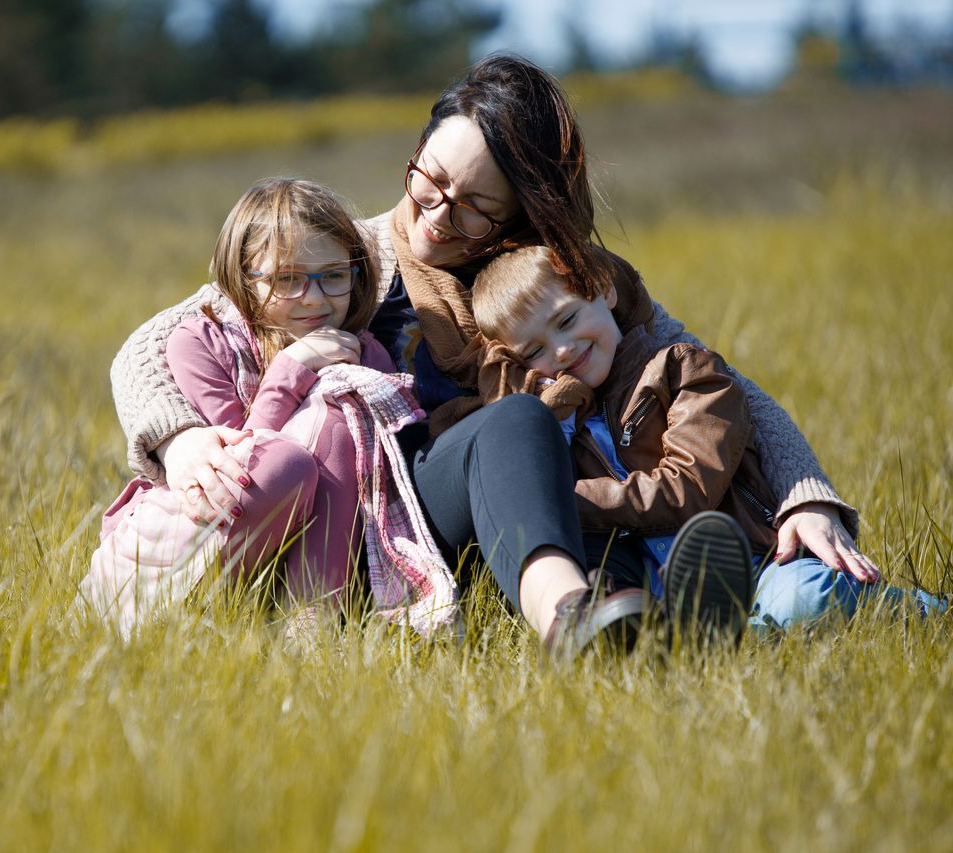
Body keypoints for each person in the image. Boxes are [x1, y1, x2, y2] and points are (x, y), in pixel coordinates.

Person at [109, 54, 878, 657]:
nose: (438, 217)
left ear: (523, 216)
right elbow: (149, 343)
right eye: (429, 180)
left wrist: (804, 491)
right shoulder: (352, 256)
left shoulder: (547, 286)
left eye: (475, 208)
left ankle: (596, 624)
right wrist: (181, 443)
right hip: (365, 521)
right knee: (514, 423)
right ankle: (591, 617)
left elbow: (706, 373)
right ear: (414, 155)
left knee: (522, 430)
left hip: (511, 524)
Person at [471, 245, 947, 636]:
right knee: (637, 638)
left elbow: (686, 489)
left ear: (604, 290)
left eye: (568, 319)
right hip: (657, 592)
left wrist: (552, 501)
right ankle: (721, 635)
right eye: (534, 350)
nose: (561, 349)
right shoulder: (560, 424)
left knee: (803, 601)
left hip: (759, 562)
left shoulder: (684, 370)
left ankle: (930, 613)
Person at [80, 178, 458, 637]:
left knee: (341, 417)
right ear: (243, 278)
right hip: (202, 521)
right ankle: (144, 608)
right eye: (287, 279)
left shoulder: (364, 353)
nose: (315, 298)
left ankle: (310, 622)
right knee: (285, 463)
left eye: (333, 276)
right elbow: (244, 461)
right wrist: (292, 368)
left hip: (303, 547)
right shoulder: (201, 343)